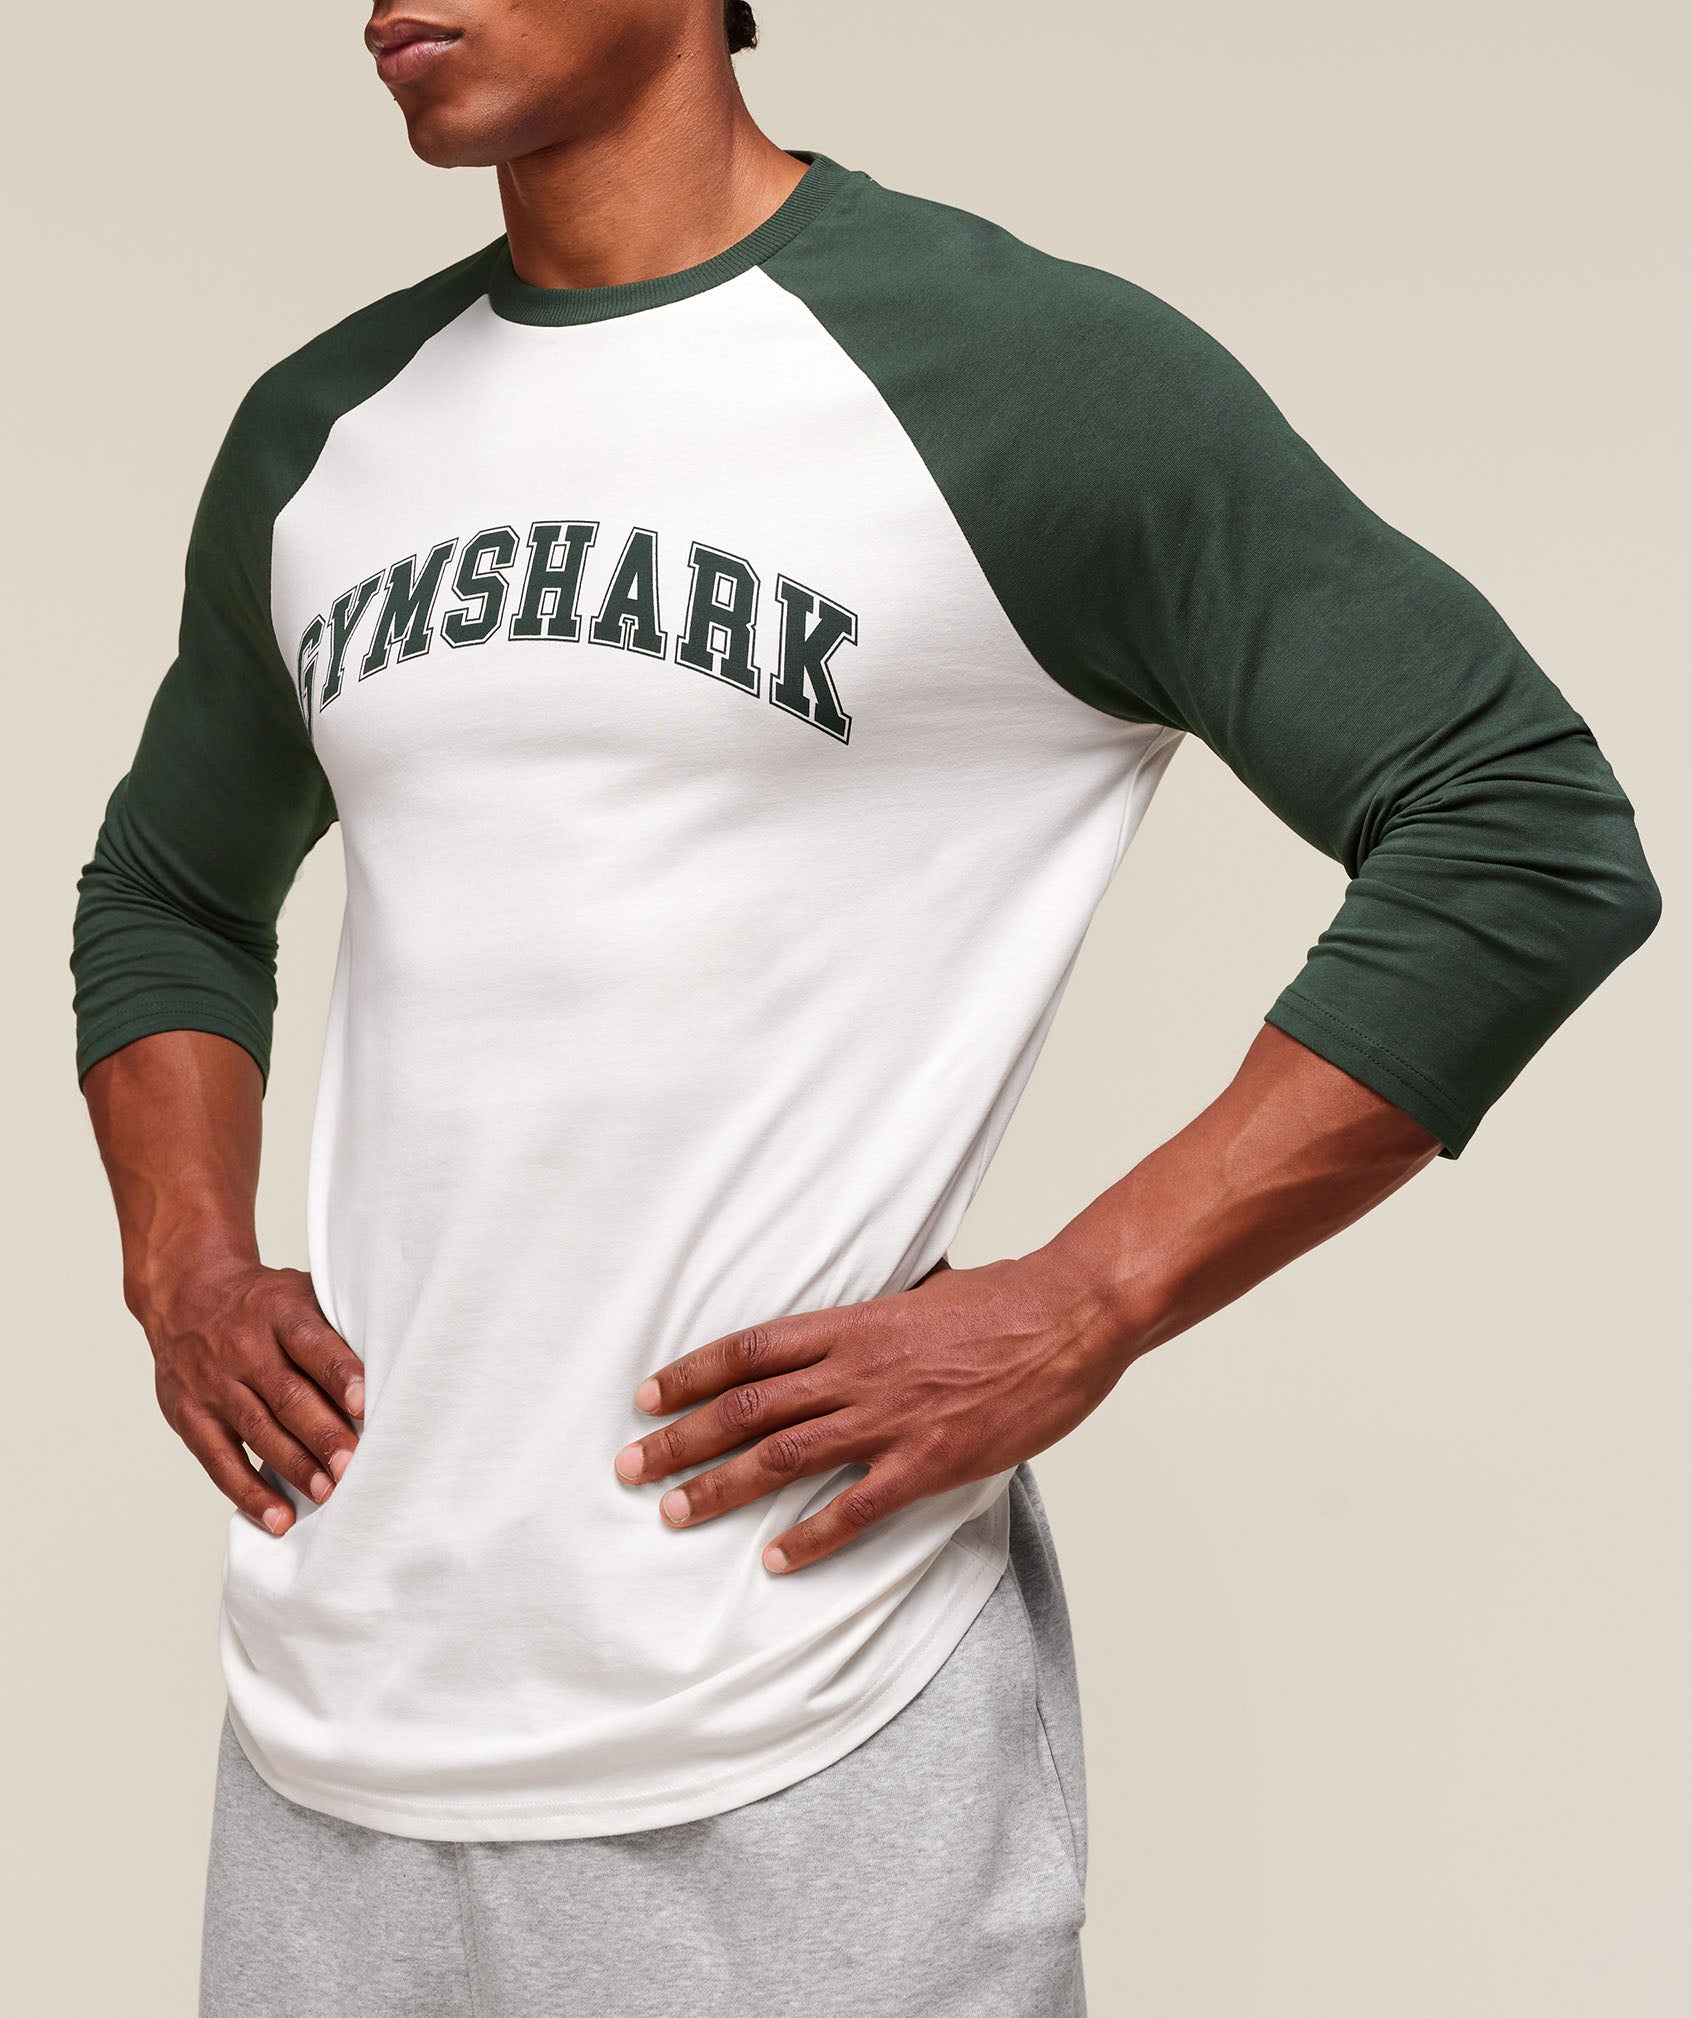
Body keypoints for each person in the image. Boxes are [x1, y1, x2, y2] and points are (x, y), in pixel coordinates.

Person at [70, 3, 1659, 2013]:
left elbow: (1517, 827)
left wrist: (1091, 1295)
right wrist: (188, 1270)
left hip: (803, 1707)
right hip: (334, 1720)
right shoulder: (324, 434)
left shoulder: (1020, 378)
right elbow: (171, 889)